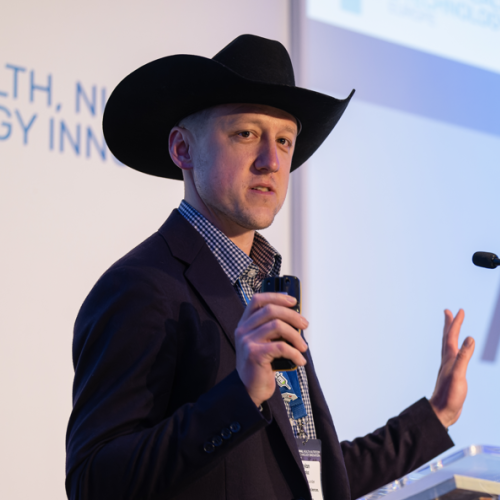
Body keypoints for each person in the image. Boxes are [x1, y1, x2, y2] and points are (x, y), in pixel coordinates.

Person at [65, 35, 475, 500]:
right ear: (183, 149)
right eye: (246, 134)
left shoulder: (261, 287)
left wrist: (436, 416)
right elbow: (92, 482)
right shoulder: (141, 287)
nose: (272, 161)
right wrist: (240, 395)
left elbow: (311, 474)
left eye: (284, 140)